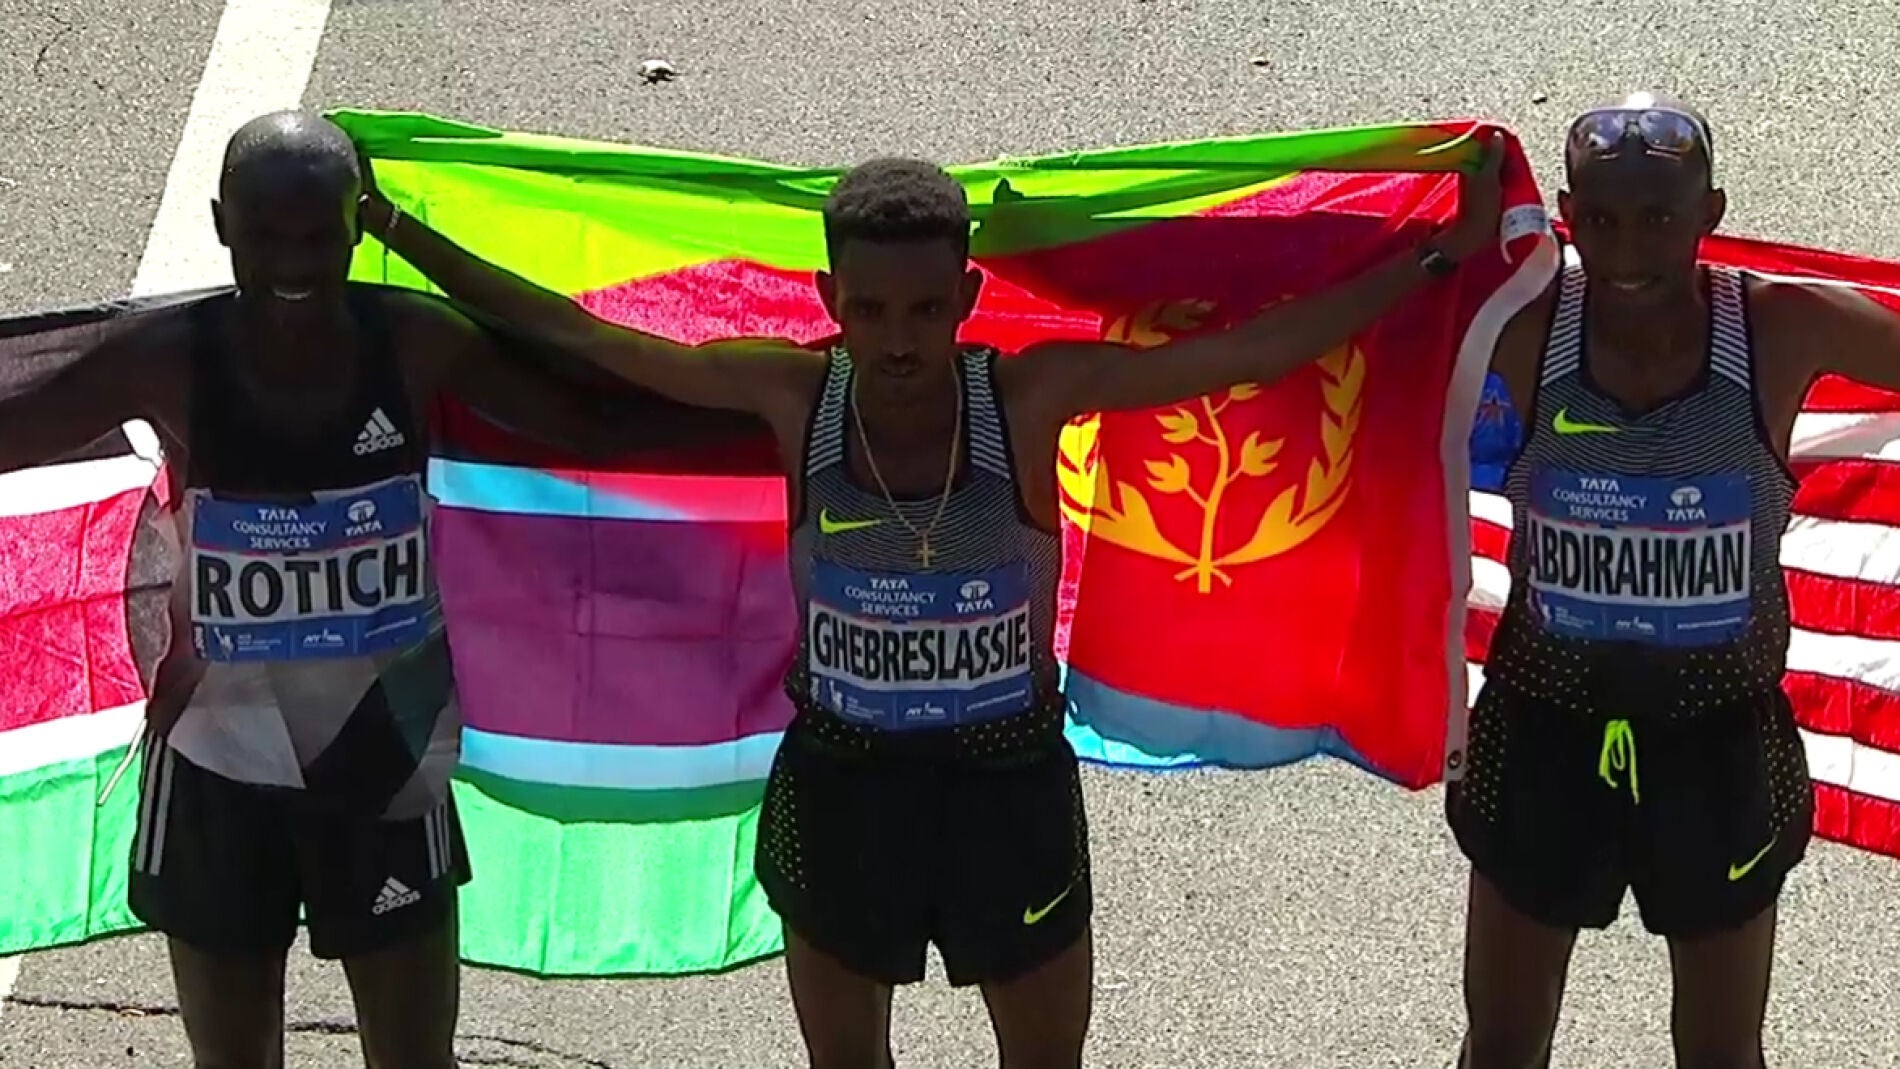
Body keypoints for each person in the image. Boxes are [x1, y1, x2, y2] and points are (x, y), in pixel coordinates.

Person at [357, 132, 1505, 1069]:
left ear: (965, 293)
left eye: (922, 310)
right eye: (869, 311)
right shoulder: (791, 391)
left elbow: (1246, 353)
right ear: (830, 298)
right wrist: (392, 226)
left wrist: (1430, 262)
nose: (897, 341)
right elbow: (579, 336)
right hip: (843, 782)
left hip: (1006, 786)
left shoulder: (1032, 395)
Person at [0, 110, 752, 1069]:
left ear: (357, 224)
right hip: (215, 763)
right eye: (267, 235)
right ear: (221, 224)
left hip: (386, 760)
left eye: (321, 235)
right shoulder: (166, 357)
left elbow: (589, 415)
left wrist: (796, 414)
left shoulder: (413, 341)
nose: (294, 265)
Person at [1447, 91, 1900, 1069]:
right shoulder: (1522, 326)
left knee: (1722, 1051)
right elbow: (1339, 327)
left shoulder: (1779, 326)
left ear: (1711, 212)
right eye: (1602, 220)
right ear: (1567, 214)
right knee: (1504, 1045)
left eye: (1658, 217)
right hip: (1544, 735)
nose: (1628, 250)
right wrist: (1453, 246)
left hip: (1717, 745)